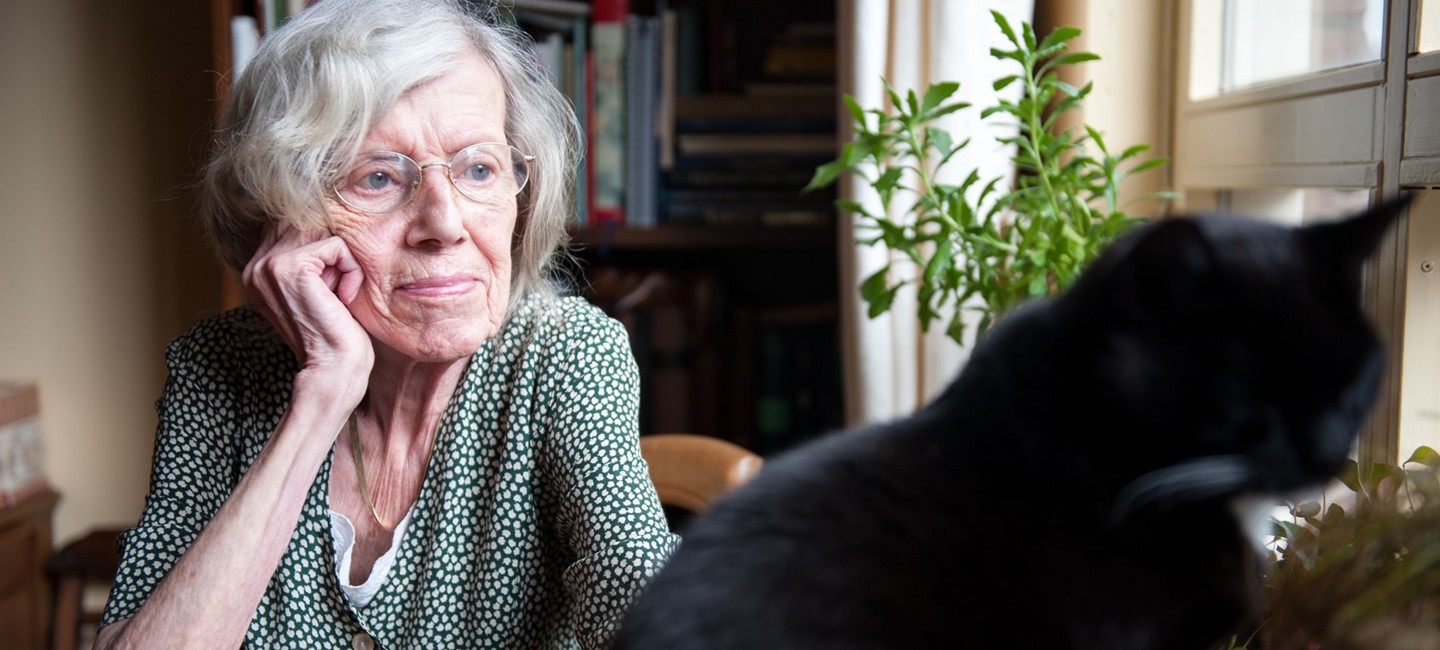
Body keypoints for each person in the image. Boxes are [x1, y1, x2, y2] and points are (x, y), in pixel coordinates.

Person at [94, 0, 678, 647]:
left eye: (479, 168)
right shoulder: (220, 370)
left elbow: (635, 585)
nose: (446, 224)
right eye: (377, 177)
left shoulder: (563, 356)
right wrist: (322, 398)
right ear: (281, 213)